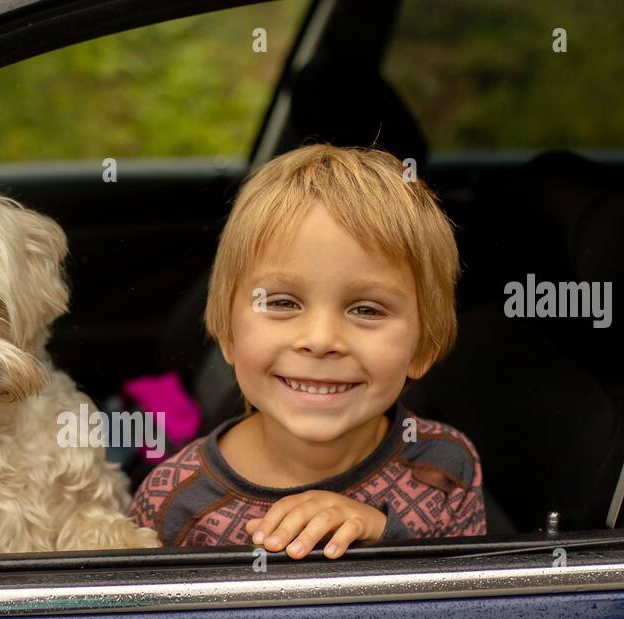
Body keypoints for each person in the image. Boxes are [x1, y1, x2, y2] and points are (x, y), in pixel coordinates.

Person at [129, 143, 486, 559]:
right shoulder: (174, 502)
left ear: (423, 347)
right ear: (227, 333)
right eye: (282, 303)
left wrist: (382, 533)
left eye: (367, 309)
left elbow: (466, 614)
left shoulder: (443, 469)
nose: (320, 340)